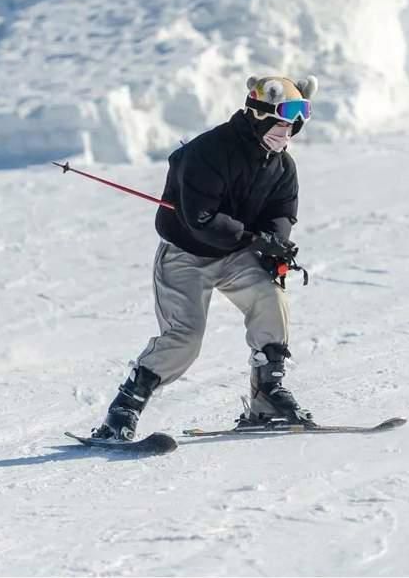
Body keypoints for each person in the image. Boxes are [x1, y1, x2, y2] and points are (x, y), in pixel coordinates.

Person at [93, 74, 318, 441]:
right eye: (281, 122)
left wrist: (275, 242)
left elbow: (281, 212)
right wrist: (251, 237)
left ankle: (267, 399)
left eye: (293, 124)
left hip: (235, 255)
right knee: (185, 337)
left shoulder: (282, 165)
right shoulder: (209, 151)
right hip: (186, 253)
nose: (287, 131)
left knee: (270, 300)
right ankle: (123, 410)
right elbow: (201, 220)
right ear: (258, 115)